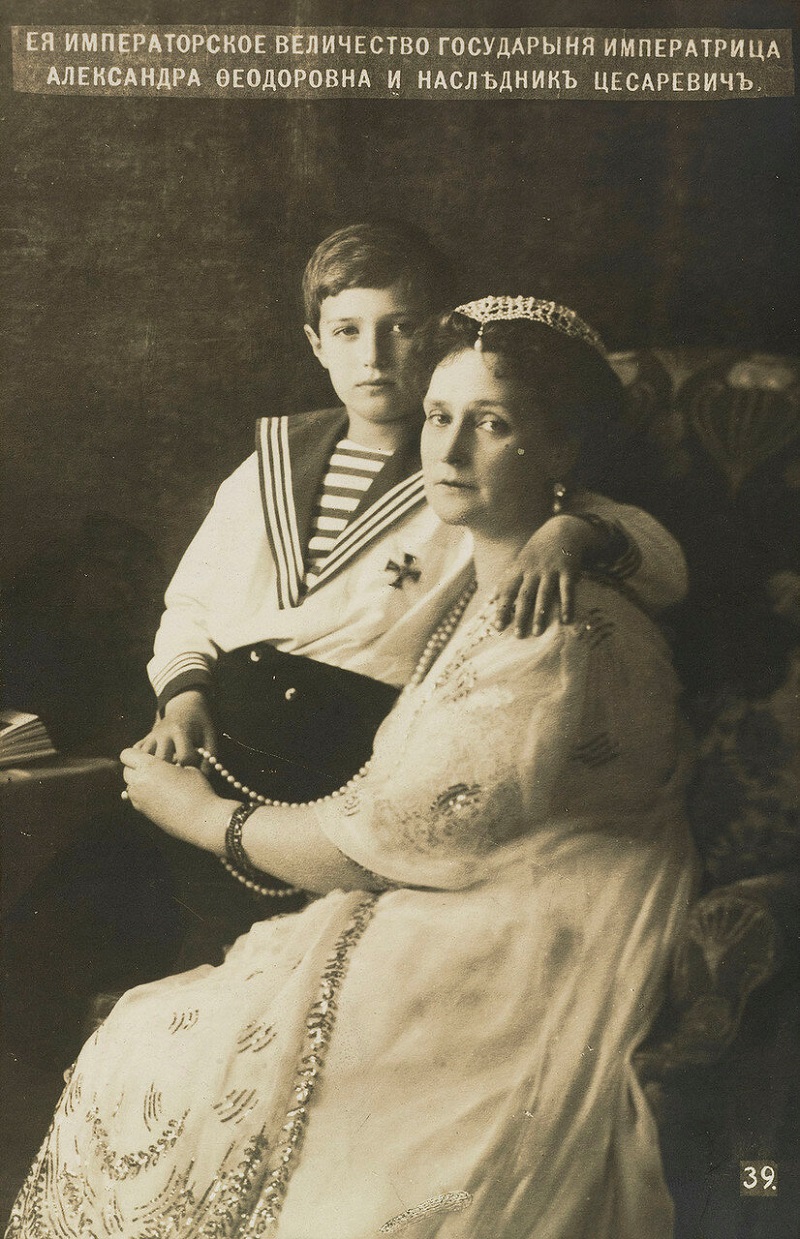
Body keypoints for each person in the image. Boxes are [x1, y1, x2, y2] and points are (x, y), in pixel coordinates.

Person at [8, 295, 699, 1238]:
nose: (448, 450)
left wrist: (199, 815)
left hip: (535, 921)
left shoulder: (553, 615)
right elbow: (197, 602)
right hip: (430, 862)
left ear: (562, 448)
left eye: (492, 424)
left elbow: (386, 837)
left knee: (164, 1052)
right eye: (439, 416)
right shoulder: (478, 561)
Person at [131, 221, 688, 958]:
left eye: (399, 329)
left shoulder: (474, 476)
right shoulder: (271, 462)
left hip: (341, 754)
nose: (374, 357)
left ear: (433, 338)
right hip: (220, 729)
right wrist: (184, 696)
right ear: (316, 343)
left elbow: (658, 560)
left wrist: (570, 532)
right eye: (348, 331)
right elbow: (193, 600)